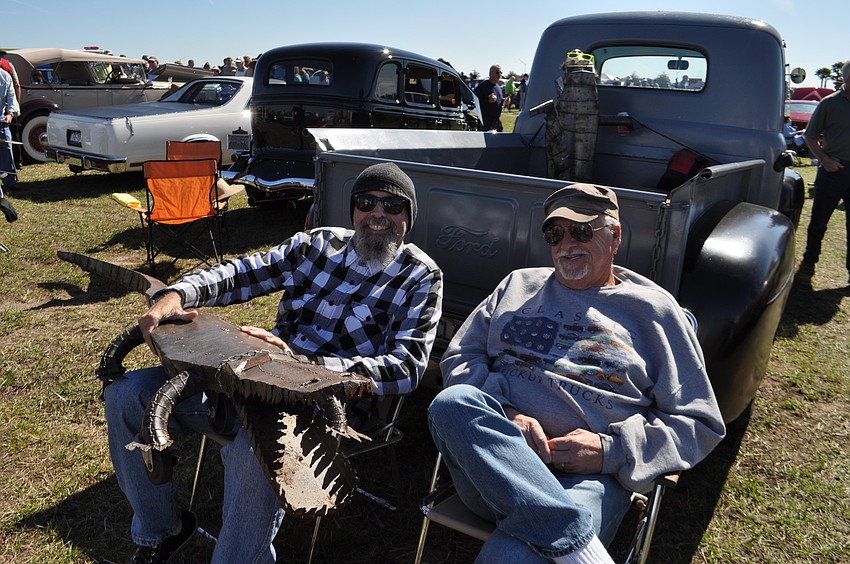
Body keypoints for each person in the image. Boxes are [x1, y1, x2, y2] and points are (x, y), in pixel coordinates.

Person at [105, 162, 443, 563]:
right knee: (127, 395)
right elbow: (243, 273)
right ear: (354, 209)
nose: (378, 215)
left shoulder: (420, 276)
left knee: (255, 453)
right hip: (249, 379)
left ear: (409, 216)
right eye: (367, 203)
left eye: (393, 206)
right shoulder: (317, 245)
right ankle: (160, 534)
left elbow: (406, 368)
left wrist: (300, 363)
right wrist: (178, 293)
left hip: (329, 406)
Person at [427, 183, 725, 563]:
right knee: (452, 402)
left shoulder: (654, 311)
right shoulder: (517, 286)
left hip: (589, 479)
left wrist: (609, 451)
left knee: (512, 557)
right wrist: (507, 413)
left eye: (582, 231)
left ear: (615, 236)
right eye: (556, 234)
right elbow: (460, 356)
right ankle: (578, 545)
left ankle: (562, 536)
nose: (567, 244)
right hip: (495, 466)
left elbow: (699, 423)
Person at [799, 60, 850, 282]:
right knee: (819, 220)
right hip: (833, 170)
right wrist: (825, 160)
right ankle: (810, 260)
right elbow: (810, 137)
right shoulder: (829, 104)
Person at [0, 65, 19, 223]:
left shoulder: (4, 77)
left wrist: (10, 115)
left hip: (1, 123)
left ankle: (10, 182)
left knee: (7, 150)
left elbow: (12, 99)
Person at [474, 64, 504, 131]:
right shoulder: (483, 86)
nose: (499, 75)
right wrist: (487, 99)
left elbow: (499, 102)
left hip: (496, 122)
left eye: (501, 73)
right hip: (486, 122)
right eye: (497, 72)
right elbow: (474, 99)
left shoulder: (498, 88)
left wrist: (505, 102)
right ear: (490, 73)